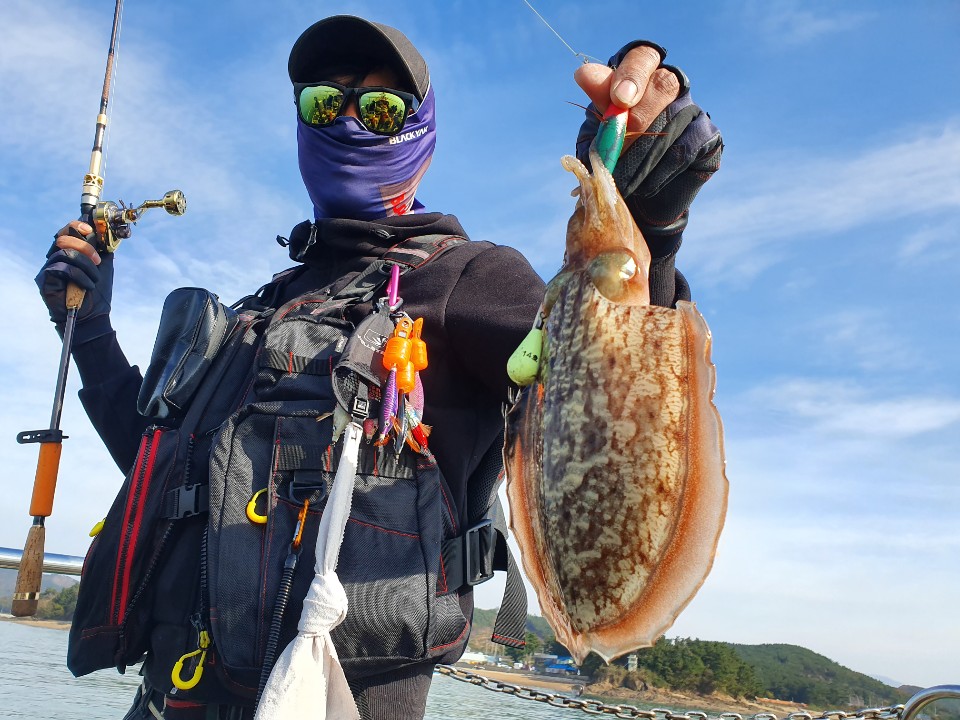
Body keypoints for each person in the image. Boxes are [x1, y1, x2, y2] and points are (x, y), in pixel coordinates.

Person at [36, 14, 721, 720]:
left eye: (382, 108)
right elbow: (159, 475)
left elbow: (609, 368)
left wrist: (650, 227)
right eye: (324, 103)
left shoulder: (469, 278)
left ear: (419, 130)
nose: (349, 121)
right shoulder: (263, 308)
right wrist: (88, 330)